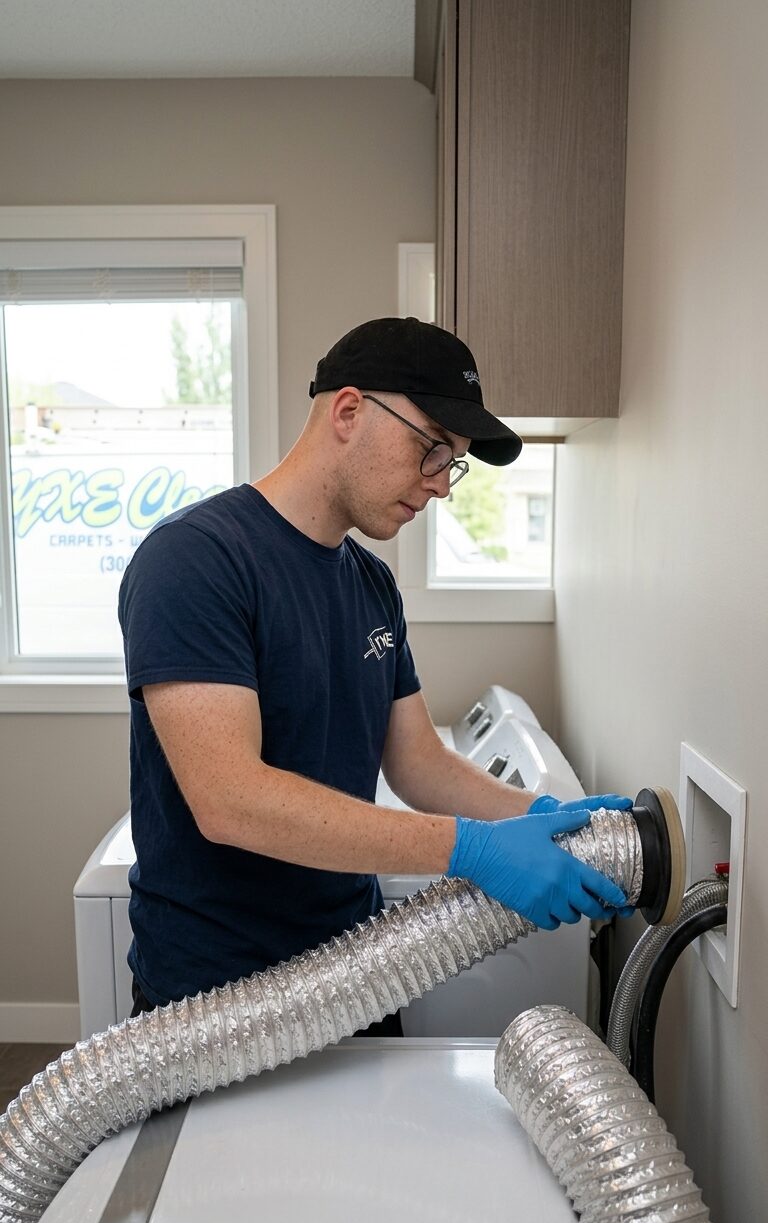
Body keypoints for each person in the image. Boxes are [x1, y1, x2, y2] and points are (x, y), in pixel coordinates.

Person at [118, 316, 632, 1032]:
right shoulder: (197, 561)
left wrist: (542, 821)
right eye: (431, 449)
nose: (441, 487)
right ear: (350, 410)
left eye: (451, 463)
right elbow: (230, 800)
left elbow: (418, 762)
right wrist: (469, 848)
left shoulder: (370, 583)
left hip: (356, 973)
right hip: (217, 1000)